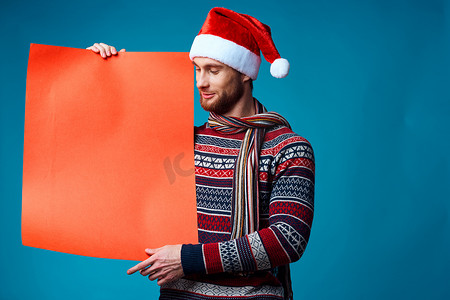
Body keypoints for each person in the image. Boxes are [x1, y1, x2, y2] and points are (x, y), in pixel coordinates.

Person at [88, 7, 314, 300]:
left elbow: (287, 239)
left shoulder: (288, 148)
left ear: (245, 73)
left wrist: (188, 259)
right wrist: (104, 73)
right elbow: (109, 156)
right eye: (197, 69)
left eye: (214, 70)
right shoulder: (179, 141)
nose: (201, 82)